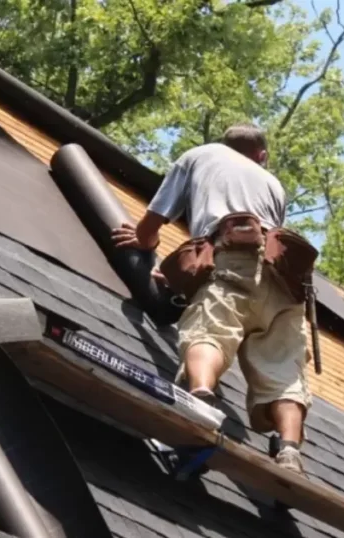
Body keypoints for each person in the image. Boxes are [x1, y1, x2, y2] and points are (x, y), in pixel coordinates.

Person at [111, 124, 312, 474]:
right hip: (286, 284)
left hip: (232, 261)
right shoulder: (273, 185)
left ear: (225, 143)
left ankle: (201, 398)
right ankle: (289, 450)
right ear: (261, 156)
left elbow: (155, 220)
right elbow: (267, 246)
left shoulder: (201, 155)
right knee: (282, 370)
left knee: (208, 331)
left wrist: (145, 243)